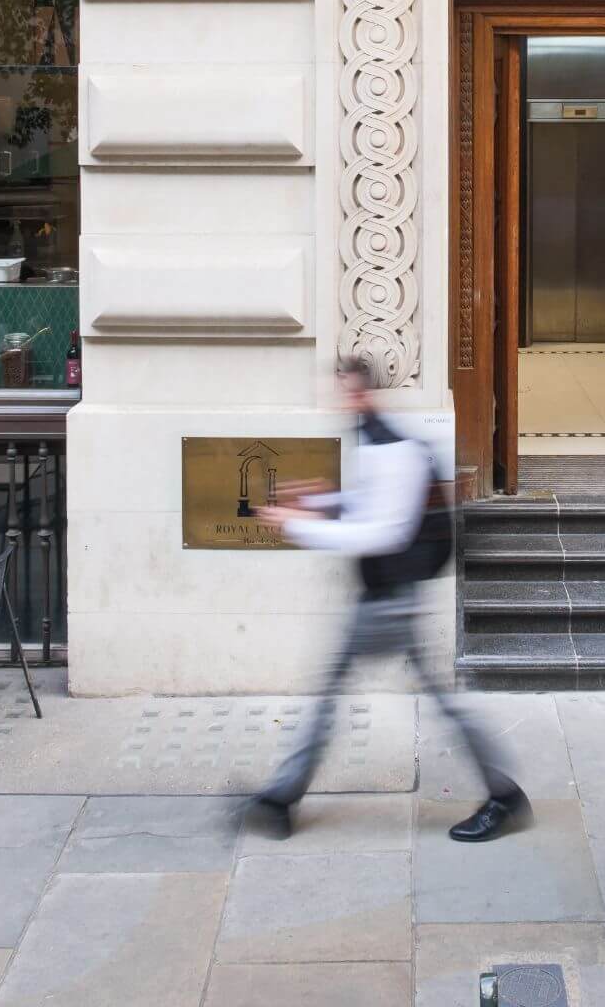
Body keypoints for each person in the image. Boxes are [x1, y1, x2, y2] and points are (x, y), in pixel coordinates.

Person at [246, 355, 530, 844]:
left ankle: (280, 800)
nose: (335, 397)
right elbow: (368, 504)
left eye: (341, 388)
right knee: (383, 696)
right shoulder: (372, 437)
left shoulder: (389, 447)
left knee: (348, 695)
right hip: (384, 595)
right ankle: (279, 799)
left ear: (361, 392)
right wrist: (319, 501)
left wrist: (300, 526)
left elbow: (385, 532)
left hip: (391, 599)